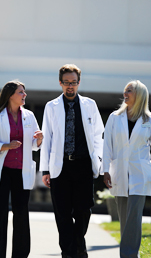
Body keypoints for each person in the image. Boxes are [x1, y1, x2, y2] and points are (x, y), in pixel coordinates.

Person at [40, 64, 104, 258]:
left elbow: (98, 135)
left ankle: (77, 245)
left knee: (84, 210)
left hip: (84, 165)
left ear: (78, 83)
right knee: (63, 213)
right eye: (66, 83)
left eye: (73, 83)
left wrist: (98, 160)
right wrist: (45, 170)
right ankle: (69, 252)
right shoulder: (51, 106)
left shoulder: (89, 105)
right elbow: (47, 139)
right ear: (60, 83)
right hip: (61, 167)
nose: (70, 86)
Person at [102, 80, 151, 258]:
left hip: (140, 175)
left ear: (140, 95)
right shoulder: (114, 117)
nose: (125, 94)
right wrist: (105, 170)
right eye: (125, 90)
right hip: (119, 173)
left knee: (134, 217)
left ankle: (129, 255)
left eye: (129, 91)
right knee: (125, 218)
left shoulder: (150, 120)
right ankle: (132, 253)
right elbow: (107, 145)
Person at [0, 80, 43, 258]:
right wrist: (7, 146)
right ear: (10, 95)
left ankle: (20, 254)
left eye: (24, 92)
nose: (24, 95)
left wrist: (39, 140)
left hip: (21, 171)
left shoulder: (29, 116)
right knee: (0, 214)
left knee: (21, 213)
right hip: (2, 171)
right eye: (20, 92)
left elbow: (33, 144)